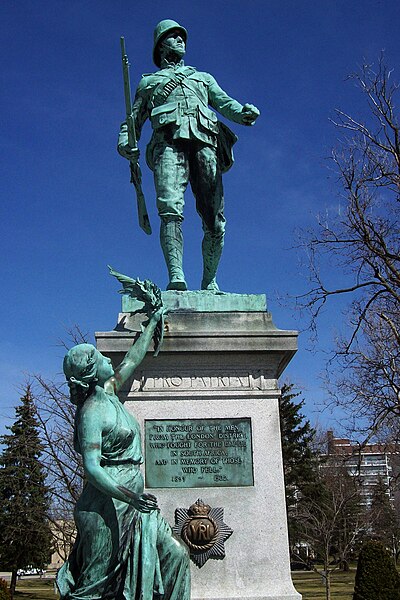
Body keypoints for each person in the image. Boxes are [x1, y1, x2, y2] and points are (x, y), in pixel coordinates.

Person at [56, 309, 190, 600]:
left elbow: (133, 358)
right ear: (91, 373)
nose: (108, 359)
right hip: (105, 509)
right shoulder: (91, 412)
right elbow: (91, 468)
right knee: (95, 588)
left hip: (135, 504)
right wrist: (131, 497)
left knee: (176, 555)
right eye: (102, 359)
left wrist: (153, 323)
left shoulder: (110, 391)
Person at [118, 19, 260, 292]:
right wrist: (126, 142)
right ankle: (176, 275)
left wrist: (243, 113)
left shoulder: (203, 78)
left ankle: (209, 279)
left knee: (214, 220)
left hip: (205, 144)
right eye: (173, 36)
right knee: (170, 209)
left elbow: (224, 103)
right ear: (161, 47)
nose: (181, 40)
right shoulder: (149, 83)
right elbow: (132, 122)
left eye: (181, 36)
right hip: (167, 146)